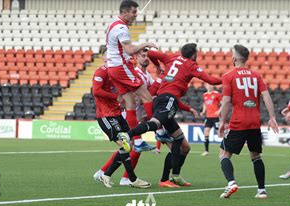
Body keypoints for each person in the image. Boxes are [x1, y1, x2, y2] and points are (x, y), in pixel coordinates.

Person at [127, 43, 222, 187]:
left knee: (184, 146)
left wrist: (158, 66)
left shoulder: (172, 58)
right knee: (155, 124)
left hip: (165, 99)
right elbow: (211, 80)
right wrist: (228, 79)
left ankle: (174, 176)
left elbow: (151, 53)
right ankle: (128, 135)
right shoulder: (191, 65)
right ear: (194, 55)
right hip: (168, 99)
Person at [217, 45, 279, 199]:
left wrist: (222, 122)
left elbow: (225, 101)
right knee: (255, 155)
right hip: (254, 122)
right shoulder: (256, 75)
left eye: (232, 54)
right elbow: (266, 96)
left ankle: (231, 183)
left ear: (235, 58)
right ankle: (261, 190)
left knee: (223, 154)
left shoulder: (228, 76)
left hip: (238, 122)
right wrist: (272, 118)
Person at [92, 51, 150, 189]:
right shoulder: (101, 72)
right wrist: (116, 97)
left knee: (128, 144)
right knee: (125, 145)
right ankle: (132, 178)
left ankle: (105, 174)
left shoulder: (116, 72)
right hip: (106, 116)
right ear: (104, 58)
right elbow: (96, 91)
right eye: (109, 56)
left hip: (117, 113)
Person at [106, 0, 157, 152]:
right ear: (125, 12)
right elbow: (129, 50)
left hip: (113, 68)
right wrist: (146, 43)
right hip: (121, 67)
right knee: (146, 97)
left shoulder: (114, 24)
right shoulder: (121, 28)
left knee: (130, 103)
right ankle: (159, 131)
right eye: (134, 12)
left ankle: (138, 141)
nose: (135, 15)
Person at [200, 84, 222, 156]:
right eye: (208, 85)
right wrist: (203, 111)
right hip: (208, 117)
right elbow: (205, 104)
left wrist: (219, 111)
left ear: (213, 86)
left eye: (210, 85)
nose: (209, 86)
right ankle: (206, 151)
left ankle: (224, 149)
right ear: (206, 86)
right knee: (206, 133)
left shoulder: (217, 94)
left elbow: (222, 103)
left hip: (216, 116)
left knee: (219, 133)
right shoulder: (204, 95)